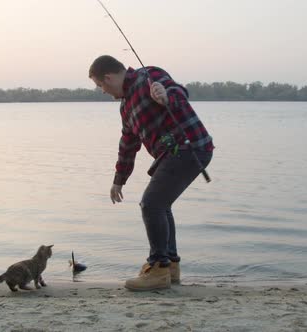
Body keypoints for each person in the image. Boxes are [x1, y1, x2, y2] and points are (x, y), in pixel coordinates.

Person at [88, 55, 214, 291]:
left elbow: (179, 93)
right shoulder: (125, 107)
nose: (102, 91)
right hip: (173, 154)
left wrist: (166, 97)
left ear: (108, 77)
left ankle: (158, 269)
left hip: (191, 147)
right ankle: (171, 267)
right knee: (161, 205)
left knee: (151, 204)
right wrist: (119, 181)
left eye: (100, 85)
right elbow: (127, 145)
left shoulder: (150, 76)